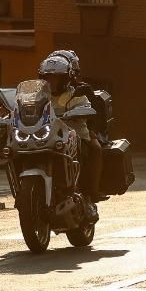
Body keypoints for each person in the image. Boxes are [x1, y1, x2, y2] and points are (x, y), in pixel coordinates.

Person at [37, 52, 103, 212]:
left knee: (95, 148)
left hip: (74, 135)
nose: (51, 82)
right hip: (46, 135)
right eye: (48, 78)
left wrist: (83, 113)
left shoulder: (78, 92)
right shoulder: (40, 95)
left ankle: (91, 192)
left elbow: (89, 108)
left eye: (55, 78)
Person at [52, 48, 112, 140]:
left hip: (79, 129)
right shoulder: (45, 92)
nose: (54, 80)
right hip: (51, 130)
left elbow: (94, 111)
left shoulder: (83, 89)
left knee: (95, 147)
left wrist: (92, 130)